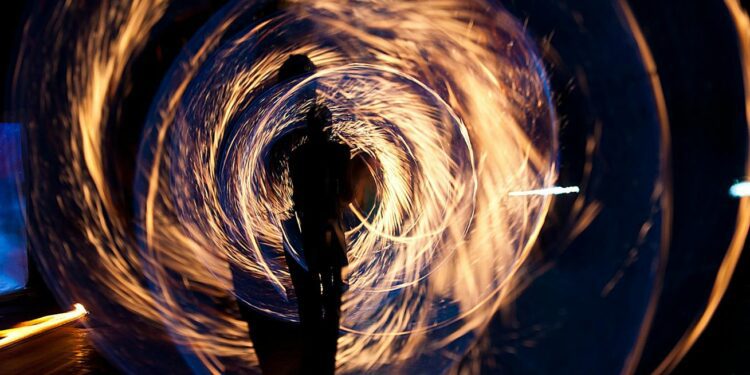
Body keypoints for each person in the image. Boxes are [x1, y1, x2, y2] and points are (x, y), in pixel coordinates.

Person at [234, 54, 352, 375]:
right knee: (323, 297)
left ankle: (318, 355)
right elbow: (343, 191)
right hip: (314, 223)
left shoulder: (287, 130)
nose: (310, 88)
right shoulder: (298, 129)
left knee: (313, 297)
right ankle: (322, 357)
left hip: (303, 223)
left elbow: (275, 179)